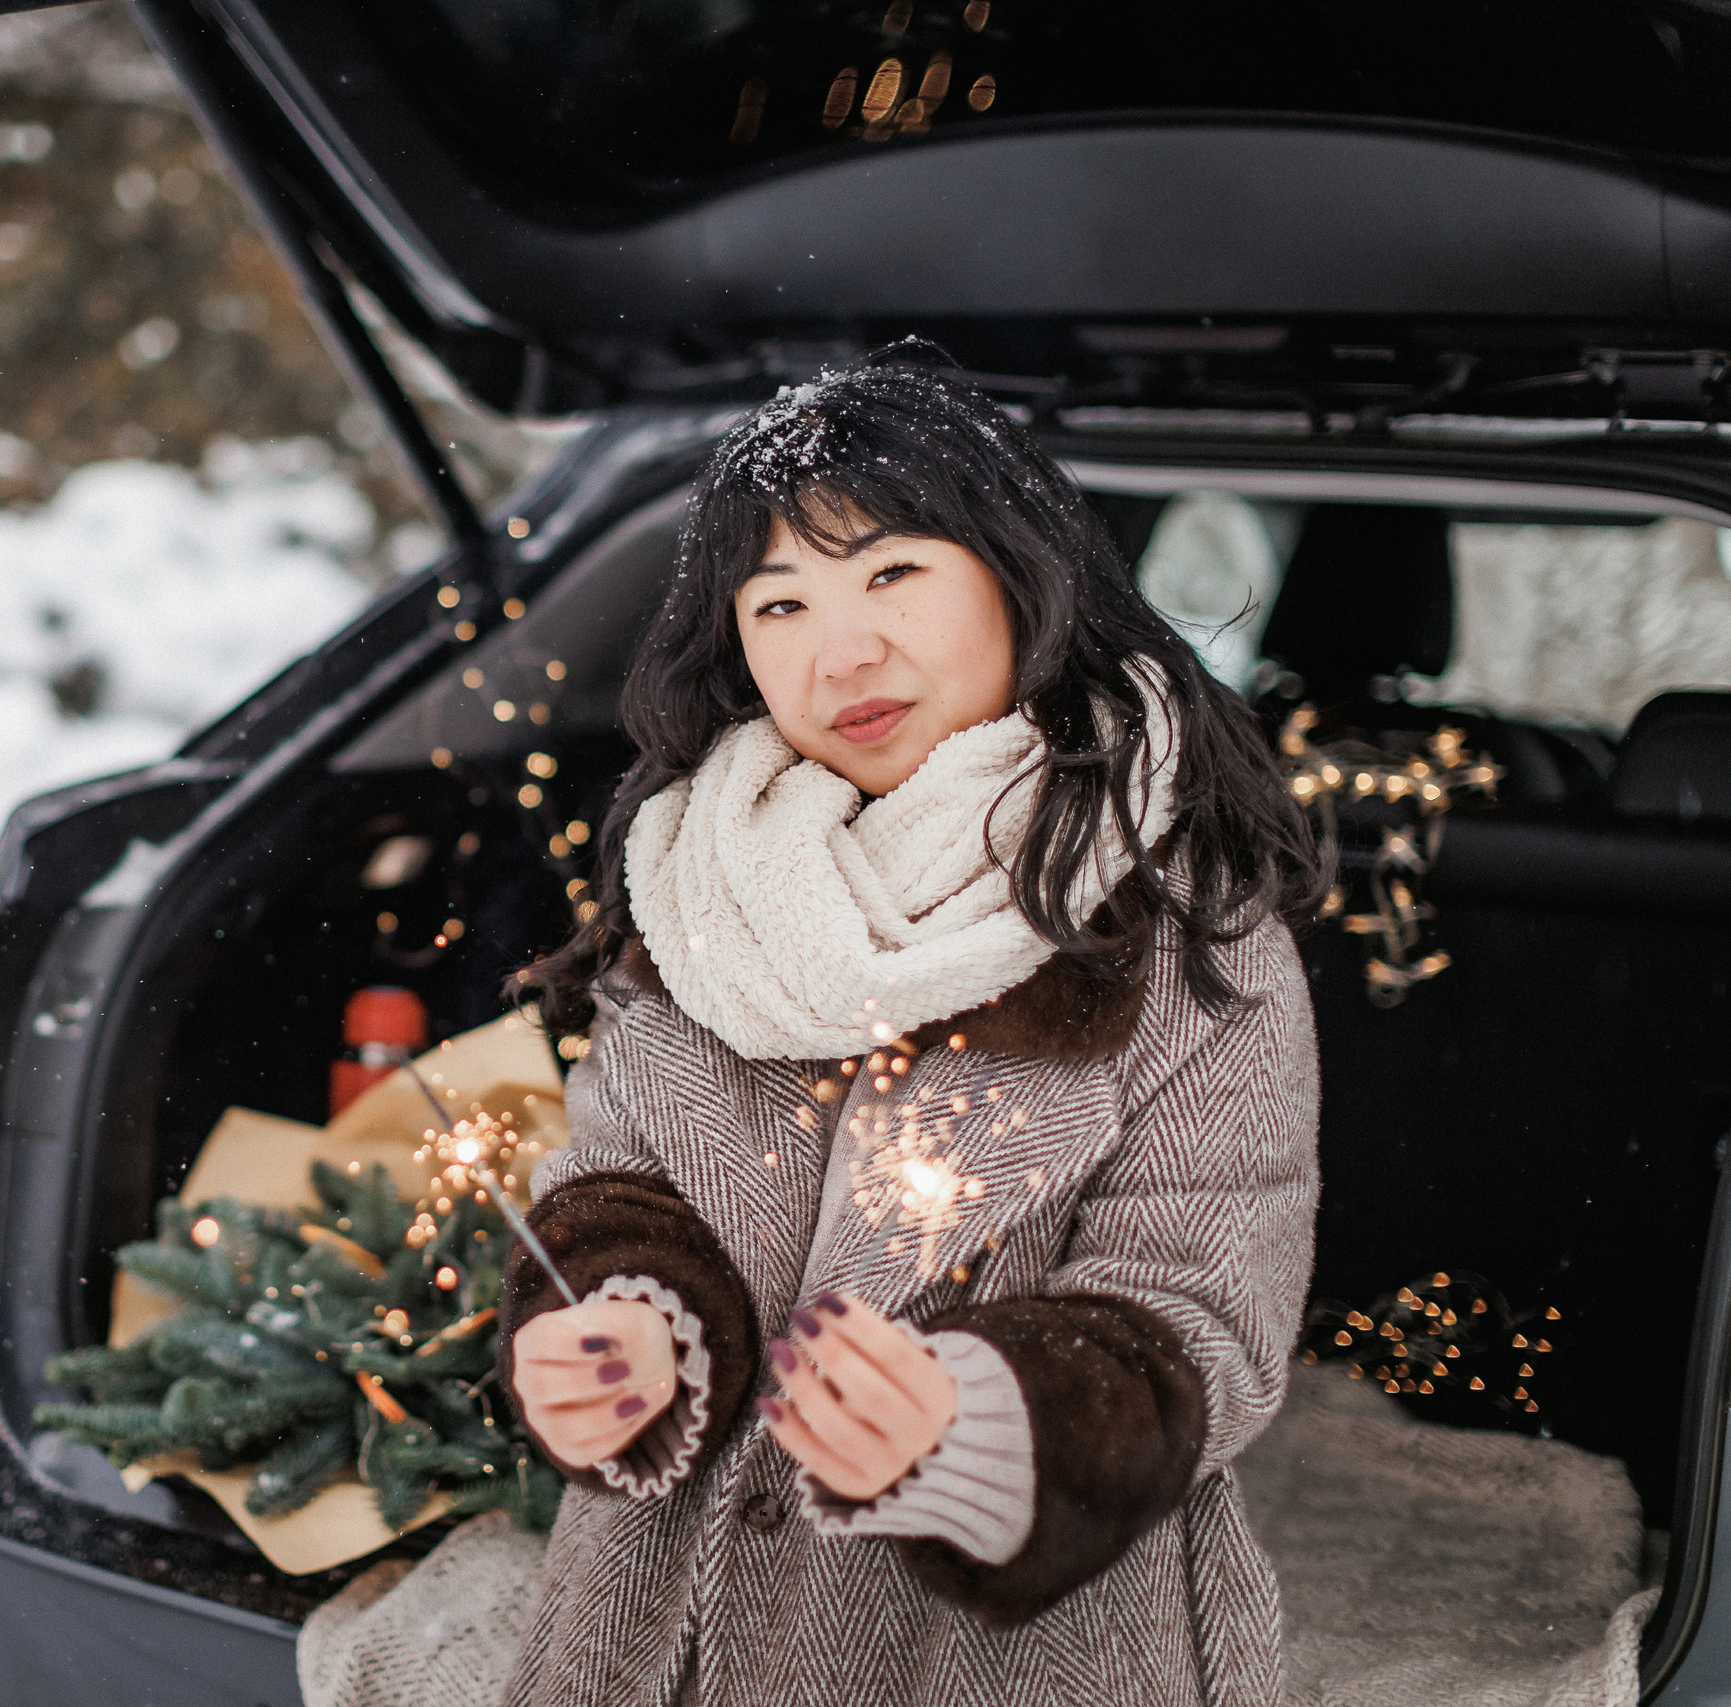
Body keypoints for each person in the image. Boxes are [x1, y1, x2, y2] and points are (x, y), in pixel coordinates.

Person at [495, 352, 1329, 1706]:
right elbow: (619, 1184)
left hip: (1012, 1657)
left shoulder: (1186, 927)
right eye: (782, 603)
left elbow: (1206, 1311)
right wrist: (624, 1330)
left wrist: (974, 1422)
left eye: (892, 575)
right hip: (647, 1638)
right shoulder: (703, 882)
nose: (843, 653)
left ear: (1021, 576)